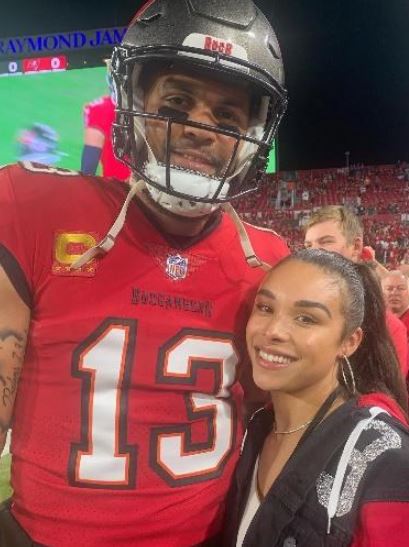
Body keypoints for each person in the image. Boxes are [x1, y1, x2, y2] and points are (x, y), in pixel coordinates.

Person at [0, 1, 289, 545]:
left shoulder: (271, 262)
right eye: (177, 100)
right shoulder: (32, 207)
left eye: (228, 117)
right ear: (133, 102)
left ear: (253, 134)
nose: (202, 127)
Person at [224, 249, 409, 546]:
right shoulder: (253, 429)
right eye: (265, 308)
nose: (273, 331)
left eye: (306, 319)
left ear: (349, 341)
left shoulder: (386, 461)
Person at [304, 205, 408, 377]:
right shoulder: (298, 310)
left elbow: (387, 397)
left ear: (356, 246)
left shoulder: (388, 328)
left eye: (326, 241)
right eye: (308, 245)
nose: (314, 251)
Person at [81, 60, 131, 180]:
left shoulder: (99, 110)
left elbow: (88, 170)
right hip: (147, 189)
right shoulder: (152, 106)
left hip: (117, 191)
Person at [381, 270, 409, 335]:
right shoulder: (377, 320)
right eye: (389, 289)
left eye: (401, 288)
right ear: (381, 293)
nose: (394, 293)